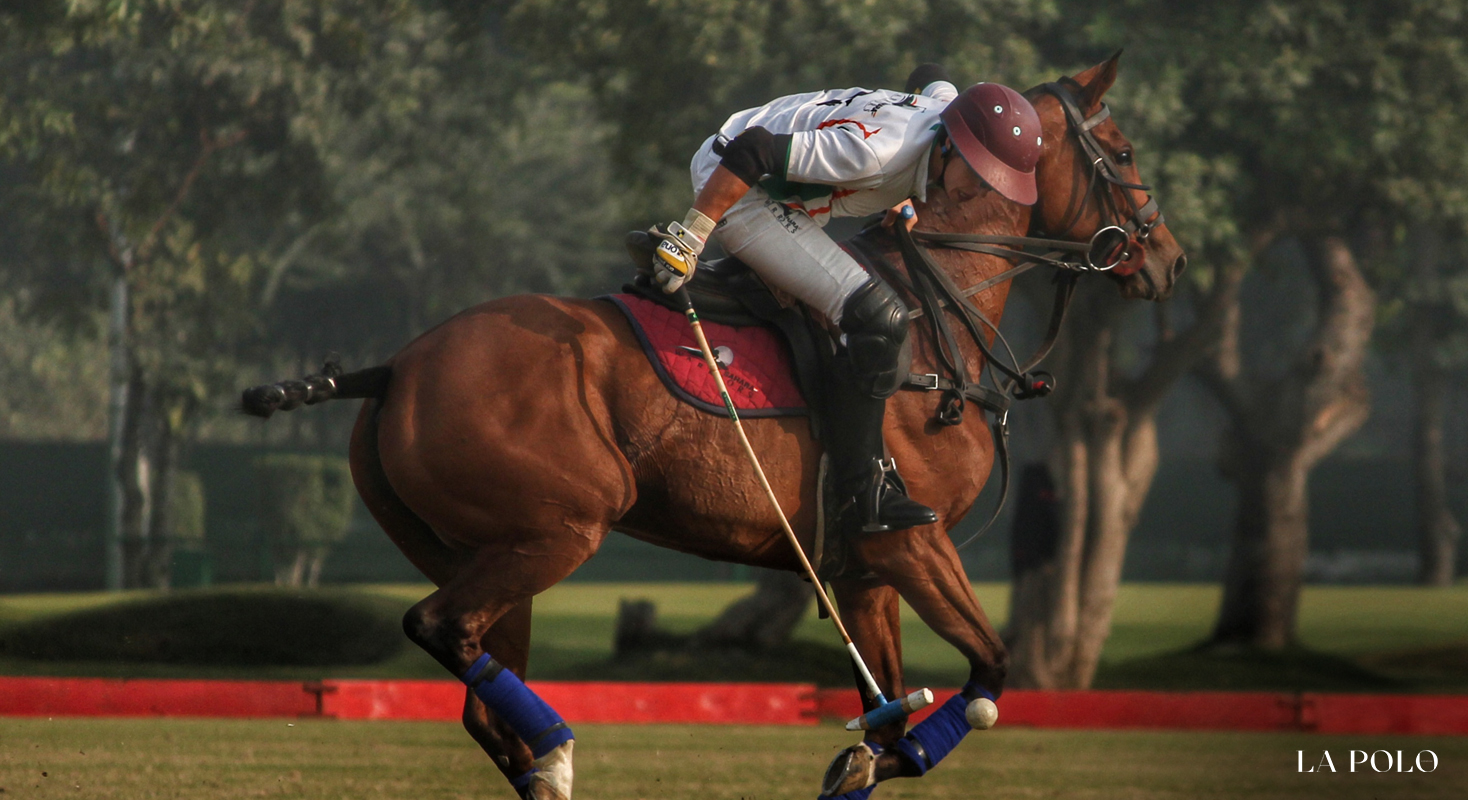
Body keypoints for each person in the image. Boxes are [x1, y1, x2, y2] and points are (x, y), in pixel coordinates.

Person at [650, 64, 1043, 534]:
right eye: (978, 175)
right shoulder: (872, 154)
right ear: (947, 144)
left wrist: (901, 196)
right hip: (737, 183)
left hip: (771, 179)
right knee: (878, 318)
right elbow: (752, 150)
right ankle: (861, 494)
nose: (977, 192)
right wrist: (691, 237)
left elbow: (931, 76)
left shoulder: (945, 108)